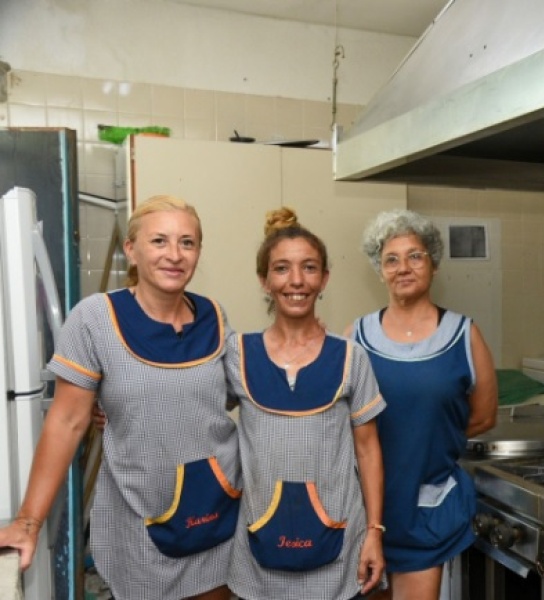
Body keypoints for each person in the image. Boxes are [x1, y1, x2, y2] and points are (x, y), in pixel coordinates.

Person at [0, 195, 240, 600]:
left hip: (213, 510)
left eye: (187, 242)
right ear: (131, 249)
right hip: (138, 515)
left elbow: (232, 395)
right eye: (159, 241)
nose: (175, 255)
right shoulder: (96, 317)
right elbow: (66, 421)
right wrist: (28, 522)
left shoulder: (214, 315)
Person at [224, 207, 386, 600]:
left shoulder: (350, 357)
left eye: (309, 268)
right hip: (258, 544)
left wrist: (374, 533)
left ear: (325, 278)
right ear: (264, 280)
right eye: (281, 269)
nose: (296, 281)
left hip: (339, 542)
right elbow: (194, 409)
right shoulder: (237, 354)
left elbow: (368, 450)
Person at [348, 209, 498, 600]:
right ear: (378, 271)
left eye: (415, 256)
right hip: (364, 511)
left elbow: (483, 415)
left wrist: (426, 436)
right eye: (391, 259)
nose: (403, 267)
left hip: (426, 511)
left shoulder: (464, 335)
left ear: (433, 263)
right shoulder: (356, 337)